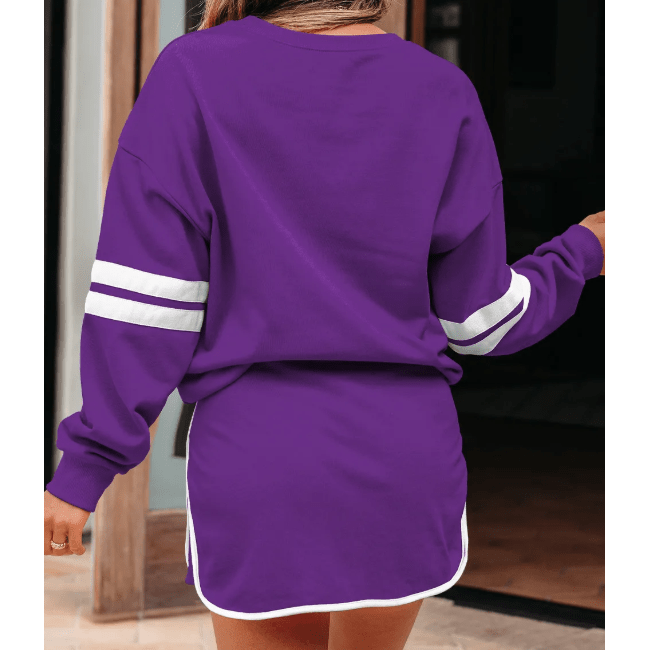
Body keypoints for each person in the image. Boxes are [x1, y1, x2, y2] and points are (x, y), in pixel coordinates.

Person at [44, 1, 605, 649]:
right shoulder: (441, 87)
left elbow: (149, 304)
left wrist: (87, 468)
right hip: (402, 460)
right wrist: (582, 250)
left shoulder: (193, 73)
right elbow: (481, 322)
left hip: (261, 462)